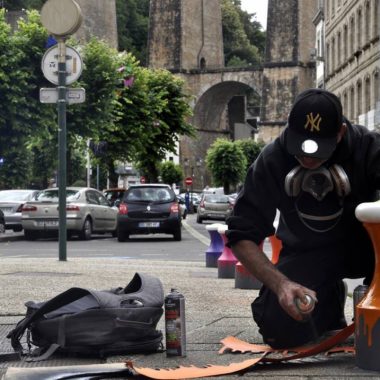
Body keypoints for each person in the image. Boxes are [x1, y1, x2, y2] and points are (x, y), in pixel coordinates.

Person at [226, 88, 380, 349]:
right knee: (279, 330)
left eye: (319, 152)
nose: (308, 159)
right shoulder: (273, 158)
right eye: (300, 150)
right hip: (310, 252)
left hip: (371, 250)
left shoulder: (369, 147)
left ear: (340, 133)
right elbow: (241, 234)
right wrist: (282, 285)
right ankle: (328, 301)